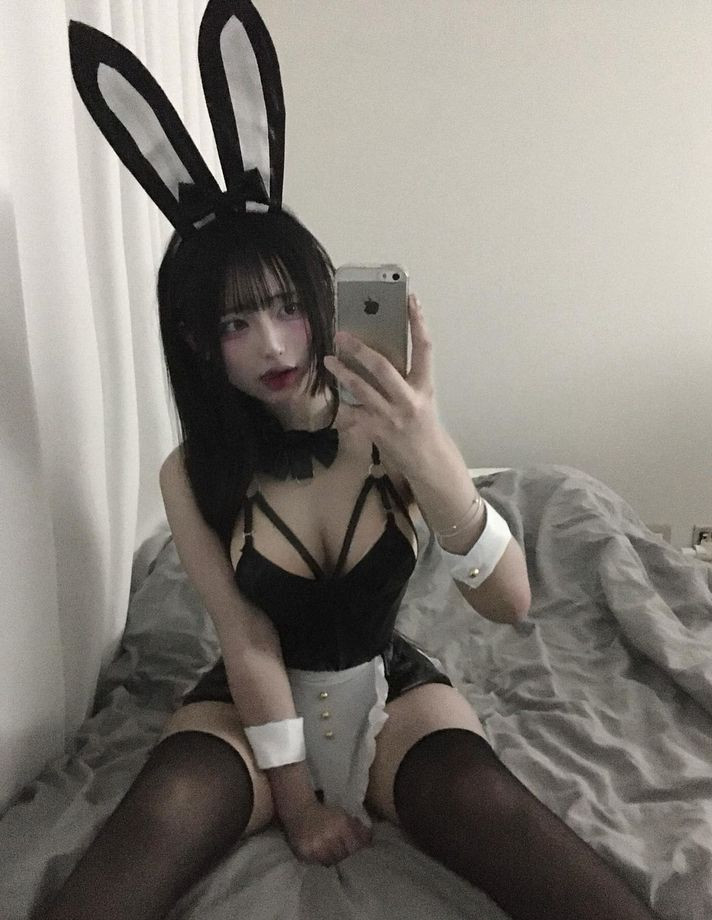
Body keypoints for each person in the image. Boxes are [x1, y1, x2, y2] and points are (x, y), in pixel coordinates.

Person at [43, 4, 662, 918]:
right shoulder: (192, 473)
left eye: (287, 307)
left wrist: (430, 452)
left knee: (494, 808)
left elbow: (512, 604)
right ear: (198, 342)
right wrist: (298, 805)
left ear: (323, 301)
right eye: (234, 322)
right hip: (244, 715)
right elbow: (248, 643)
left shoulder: (391, 426)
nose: (271, 344)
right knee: (156, 818)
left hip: (391, 692)